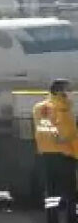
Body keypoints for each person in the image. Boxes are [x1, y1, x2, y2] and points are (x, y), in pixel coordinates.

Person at [33, 79, 78, 223]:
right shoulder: (62, 109)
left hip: (46, 154)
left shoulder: (39, 107)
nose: (71, 93)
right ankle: (72, 218)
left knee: (51, 191)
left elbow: (44, 129)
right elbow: (67, 134)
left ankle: (52, 219)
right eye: (69, 89)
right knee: (70, 192)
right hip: (64, 154)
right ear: (60, 92)